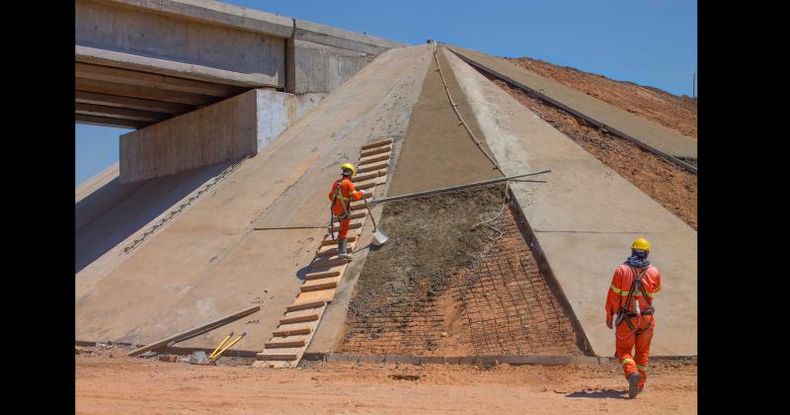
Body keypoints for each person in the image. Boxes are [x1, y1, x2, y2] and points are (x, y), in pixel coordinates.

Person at [605, 238, 662, 399]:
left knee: (623, 351)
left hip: (627, 320)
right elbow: (656, 289)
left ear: (632, 251)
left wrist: (609, 316)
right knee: (643, 352)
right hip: (647, 320)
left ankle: (632, 374)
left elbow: (613, 296)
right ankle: (640, 383)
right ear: (647, 253)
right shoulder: (654, 271)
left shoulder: (621, 271)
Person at [328, 163, 365, 260]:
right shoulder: (348, 183)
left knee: (342, 226)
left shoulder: (336, 183)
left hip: (336, 210)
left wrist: (341, 203)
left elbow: (330, 196)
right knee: (343, 229)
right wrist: (361, 193)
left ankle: (342, 245)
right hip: (343, 212)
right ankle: (342, 252)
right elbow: (356, 197)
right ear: (351, 174)